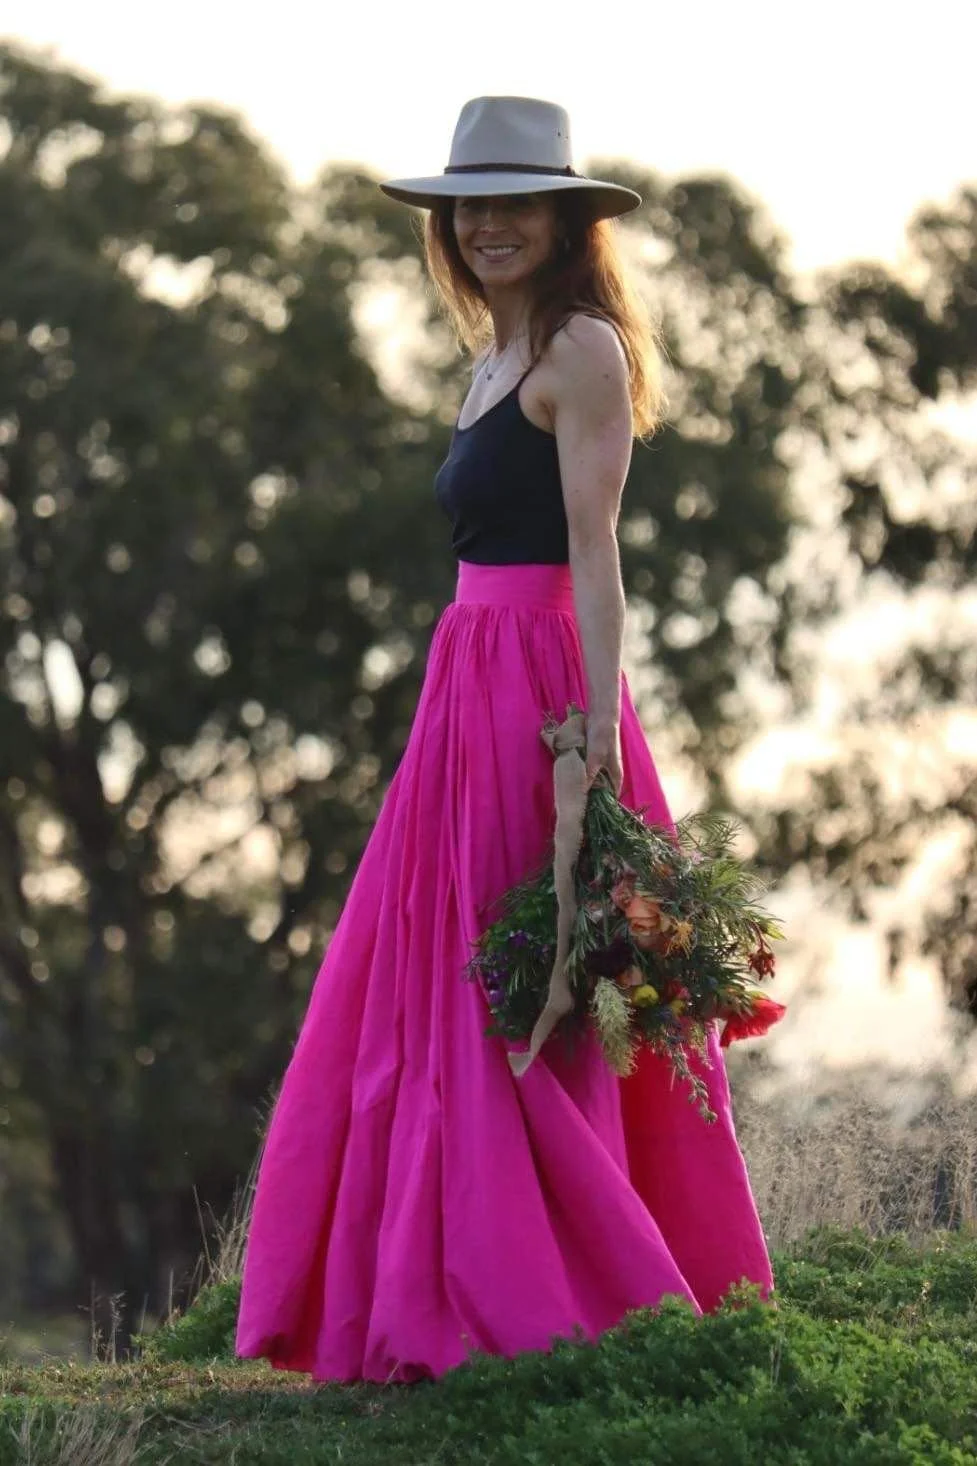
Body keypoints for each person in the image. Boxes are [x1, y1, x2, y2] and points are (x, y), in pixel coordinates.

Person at [235, 95, 774, 1386]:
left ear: (566, 217)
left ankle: (545, 1293)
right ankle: (426, 1284)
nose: (486, 222)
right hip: (461, 686)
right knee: (429, 987)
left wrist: (586, 742)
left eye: (512, 201)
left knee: (524, 996)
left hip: (540, 695)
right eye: (468, 204)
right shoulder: (492, 353)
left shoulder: (582, 350)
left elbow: (599, 560)